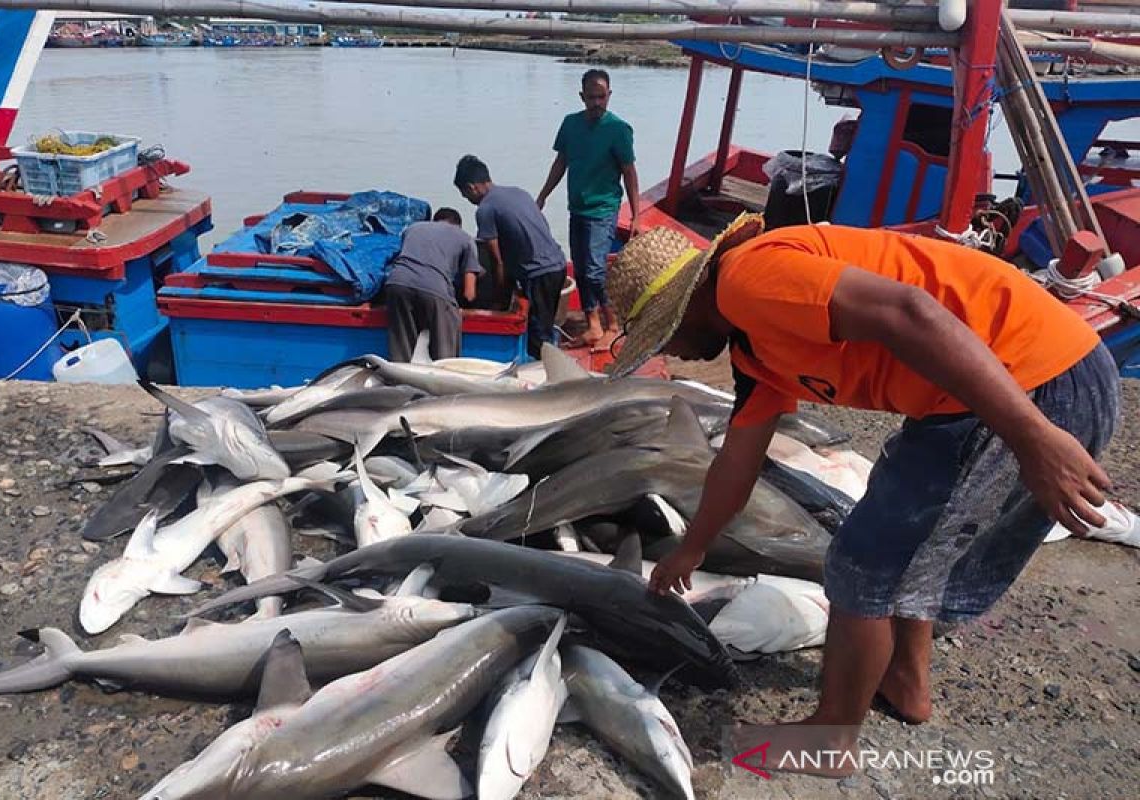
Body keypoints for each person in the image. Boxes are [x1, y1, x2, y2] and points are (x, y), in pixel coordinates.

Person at [607, 216, 1119, 776]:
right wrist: (694, 546)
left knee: (861, 564)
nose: (675, 349)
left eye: (667, 332)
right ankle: (905, 682)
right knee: (901, 530)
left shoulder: (747, 280)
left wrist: (1032, 437)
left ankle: (831, 739)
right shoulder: (754, 352)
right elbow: (739, 458)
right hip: (972, 397)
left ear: (689, 302)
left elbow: (912, 312)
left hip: (1029, 381)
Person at [537, 68, 640, 349]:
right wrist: (544, 194)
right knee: (581, 269)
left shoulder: (618, 129)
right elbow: (561, 163)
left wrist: (636, 215)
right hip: (577, 207)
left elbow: (629, 172)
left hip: (603, 208)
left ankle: (613, 324)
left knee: (595, 269)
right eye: (591, 97)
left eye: (602, 97)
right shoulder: (571, 124)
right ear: (582, 96)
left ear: (609, 96)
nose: (596, 103)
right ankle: (593, 325)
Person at [454, 154, 567, 359]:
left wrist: (500, 299)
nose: (468, 200)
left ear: (472, 187)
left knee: (538, 338)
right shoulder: (518, 192)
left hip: (539, 274)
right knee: (544, 325)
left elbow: (498, 261)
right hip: (557, 264)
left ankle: (544, 377)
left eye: (465, 195)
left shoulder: (485, 209)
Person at [383, 207, 480, 362]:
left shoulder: (413, 228)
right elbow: (469, 293)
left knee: (402, 348)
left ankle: (400, 381)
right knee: (444, 350)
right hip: (434, 288)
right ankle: (444, 378)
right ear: (458, 225)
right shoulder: (465, 238)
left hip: (397, 283)